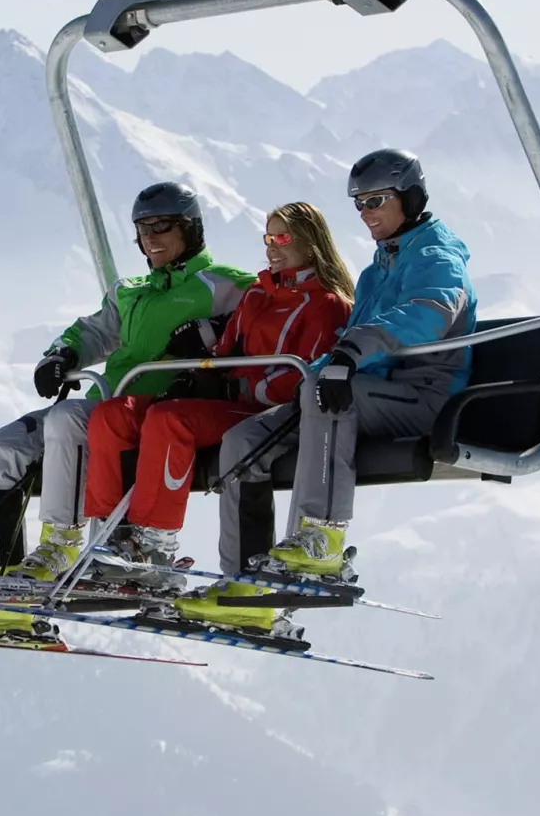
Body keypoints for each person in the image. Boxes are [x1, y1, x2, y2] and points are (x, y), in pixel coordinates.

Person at [172, 147, 477, 632]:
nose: (366, 213)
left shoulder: (435, 256)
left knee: (324, 394)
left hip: (420, 397)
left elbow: (429, 312)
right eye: (358, 203)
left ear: (411, 196)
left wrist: (350, 355)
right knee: (244, 441)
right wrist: (324, 366)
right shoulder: (381, 268)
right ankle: (245, 586)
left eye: (375, 200)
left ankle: (321, 541)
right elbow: (341, 351)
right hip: (363, 393)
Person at [0, 181, 253, 630]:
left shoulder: (222, 284)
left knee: (69, 418)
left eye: (162, 226)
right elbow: (92, 331)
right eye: (142, 228)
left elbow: (267, 312)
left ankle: (61, 546)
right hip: (107, 401)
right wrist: (61, 354)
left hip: (152, 406)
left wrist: (213, 329)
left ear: (191, 229)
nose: (151, 236)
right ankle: (4, 581)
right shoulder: (129, 290)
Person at [81, 201, 353, 586]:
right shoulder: (258, 295)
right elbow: (225, 349)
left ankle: (153, 544)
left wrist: (234, 385)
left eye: (282, 237)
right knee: (114, 413)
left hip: (264, 411)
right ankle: (112, 538)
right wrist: (195, 376)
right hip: (227, 400)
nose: (271, 247)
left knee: (170, 419)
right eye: (267, 237)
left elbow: (305, 375)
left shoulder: (326, 305)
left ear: (310, 244)